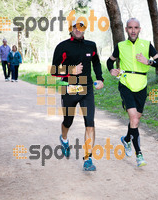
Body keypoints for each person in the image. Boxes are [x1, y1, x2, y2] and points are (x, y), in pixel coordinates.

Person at [107, 18, 158, 167]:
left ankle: (126, 140)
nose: (133, 30)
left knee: (135, 120)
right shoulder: (120, 46)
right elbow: (109, 61)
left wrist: (148, 62)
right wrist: (111, 70)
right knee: (134, 118)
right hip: (125, 83)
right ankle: (139, 155)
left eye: (136, 27)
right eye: (130, 27)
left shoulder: (147, 44)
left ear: (139, 29)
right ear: (126, 29)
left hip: (141, 85)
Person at [51, 20, 104, 171]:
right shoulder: (62, 46)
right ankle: (64, 138)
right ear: (71, 29)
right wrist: (71, 71)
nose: (78, 30)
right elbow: (54, 70)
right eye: (75, 27)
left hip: (87, 89)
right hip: (69, 88)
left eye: (81, 27)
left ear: (84, 29)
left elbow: (96, 63)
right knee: (68, 121)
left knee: (90, 123)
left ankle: (88, 159)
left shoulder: (91, 45)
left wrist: (100, 78)